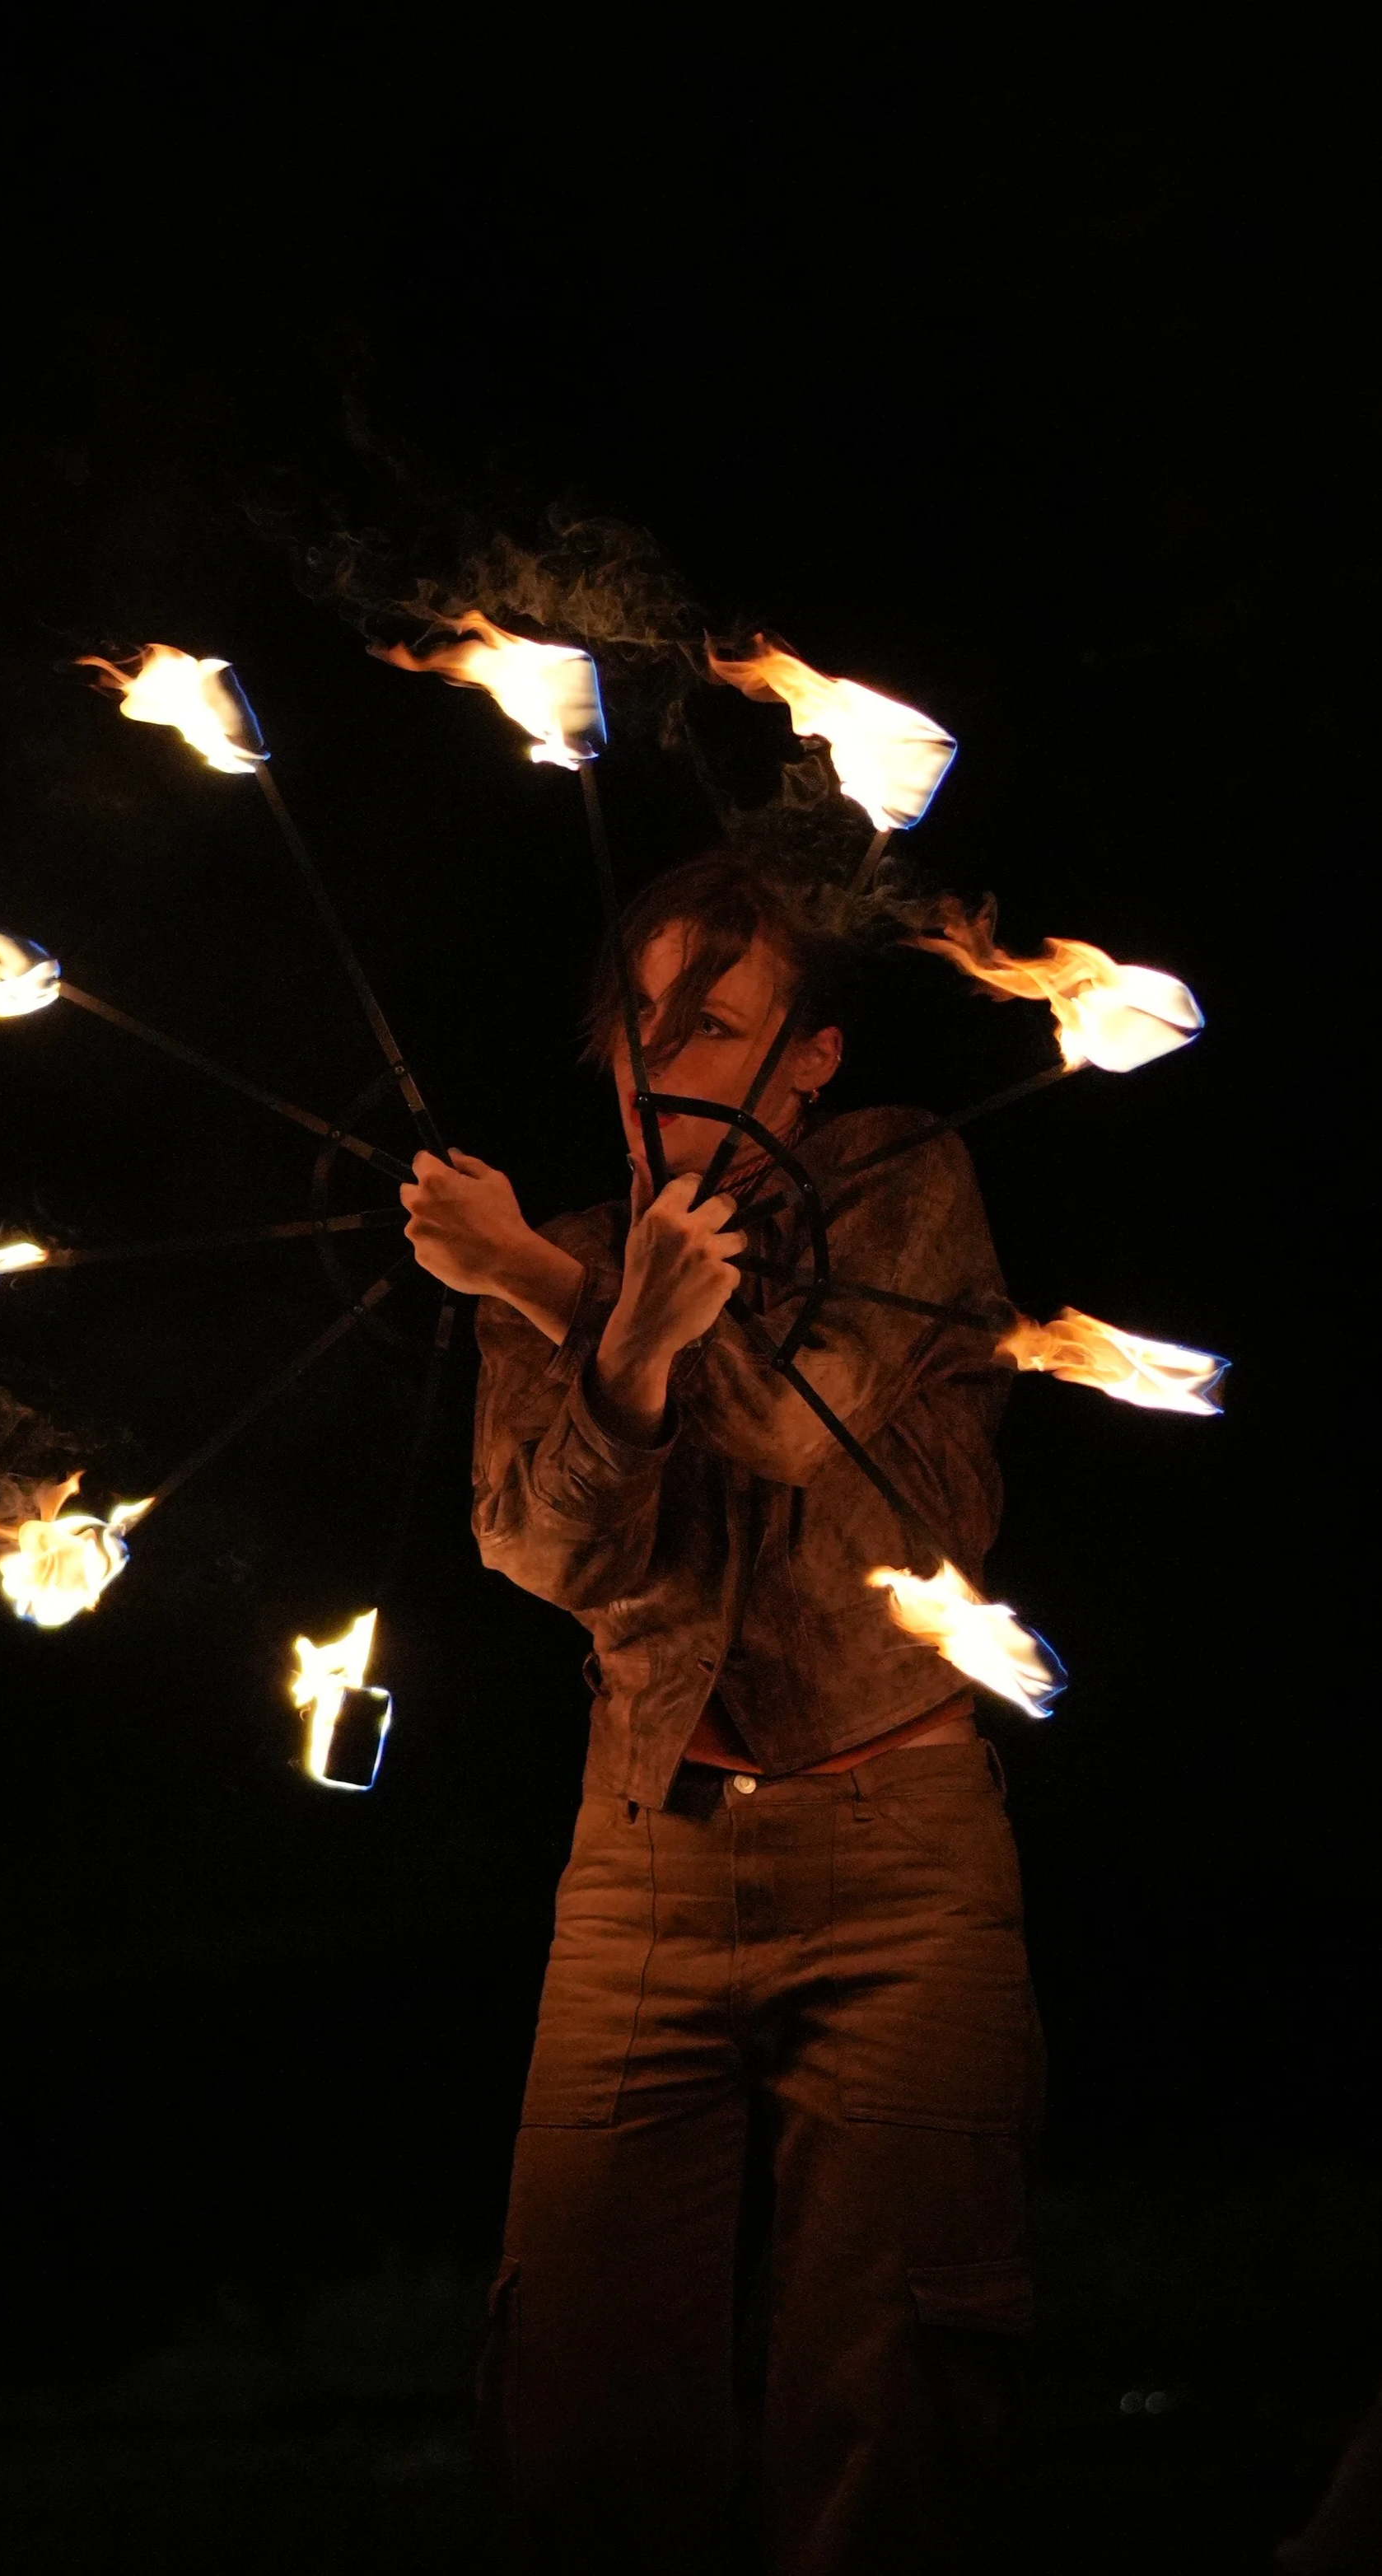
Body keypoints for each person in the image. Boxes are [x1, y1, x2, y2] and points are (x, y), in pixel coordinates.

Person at [401, 846, 1044, 2574]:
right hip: (642, 1871)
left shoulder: (903, 1174)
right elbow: (544, 1551)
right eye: (634, 1025)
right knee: (581, 2404)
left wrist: (544, 1291)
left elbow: (794, 1429)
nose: (655, 1064)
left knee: (894, 2409)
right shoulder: (587, 1247)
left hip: (899, 1856)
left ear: (810, 1058)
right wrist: (598, 1337)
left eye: (712, 1027)